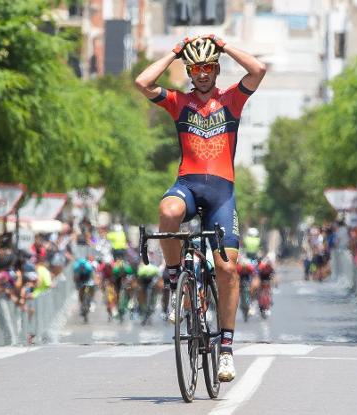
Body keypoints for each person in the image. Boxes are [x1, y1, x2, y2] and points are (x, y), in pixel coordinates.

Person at [135, 34, 266, 382]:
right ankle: (176, 276)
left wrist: (223, 45)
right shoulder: (178, 101)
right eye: (196, 69)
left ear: (216, 69)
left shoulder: (232, 100)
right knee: (167, 212)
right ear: (190, 73)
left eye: (208, 67)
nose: (203, 74)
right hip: (188, 184)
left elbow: (258, 69)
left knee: (227, 270)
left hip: (222, 195)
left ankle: (225, 349)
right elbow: (143, 82)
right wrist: (176, 52)